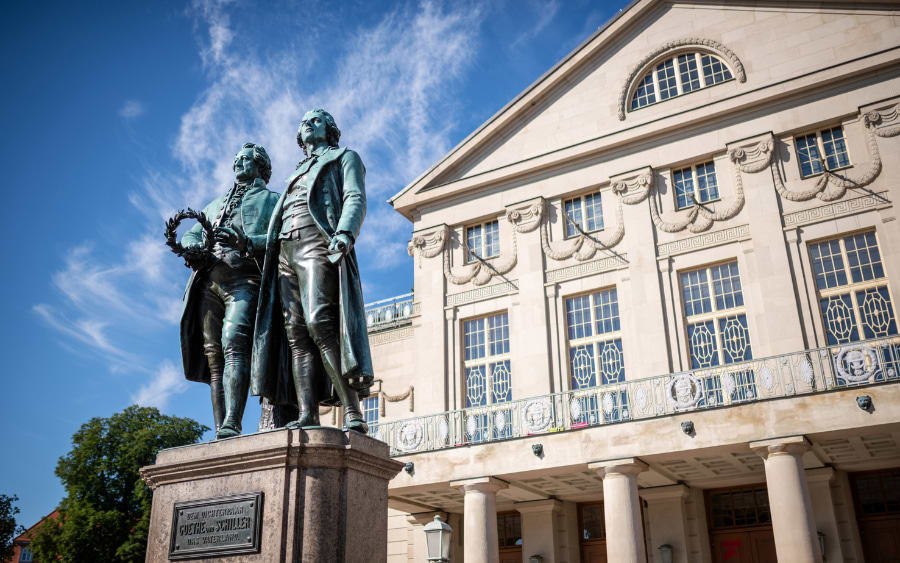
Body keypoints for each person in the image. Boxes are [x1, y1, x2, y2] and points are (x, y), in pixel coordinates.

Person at [251, 109, 374, 433]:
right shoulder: (295, 173)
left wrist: (345, 232)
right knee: (296, 334)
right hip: (284, 252)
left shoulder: (345, 157)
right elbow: (278, 222)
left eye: (316, 120)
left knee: (320, 321)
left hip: (316, 242)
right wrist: (246, 241)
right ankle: (307, 413)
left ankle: (351, 411)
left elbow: (355, 197)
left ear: (331, 130)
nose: (308, 124)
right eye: (304, 121)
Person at [179, 142, 280, 439]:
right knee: (214, 357)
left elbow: (280, 237)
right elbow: (192, 233)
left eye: (245, 159)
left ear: (260, 166)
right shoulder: (213, 205)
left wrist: (247, 242)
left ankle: (232, 422)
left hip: (245, 278)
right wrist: (191, 247)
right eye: (236, 159)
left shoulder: (273, 200)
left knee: (234, 342)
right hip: (208, 282)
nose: (238, 163)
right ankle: (221, 428)